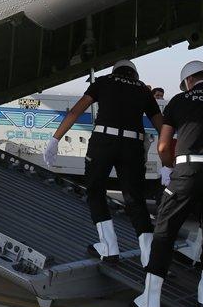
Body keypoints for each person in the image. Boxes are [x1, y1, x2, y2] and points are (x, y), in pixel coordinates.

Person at [131, 60, 203, 307]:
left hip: (188, 171)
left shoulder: (180, 100)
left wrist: (172, 166)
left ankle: (150, 301)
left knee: (165, 231)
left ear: (188, 81)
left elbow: (162, 146)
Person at [47, 60, 163, 266]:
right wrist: (170, 157)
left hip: (104, 142)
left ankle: (109, 247)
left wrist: (55, 139)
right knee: (135, 199)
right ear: (134, 75)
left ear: (115, 71)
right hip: (133, 144)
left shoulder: (104, 81)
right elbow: (160, 124)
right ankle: (149, 256)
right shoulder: (143, 90)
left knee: (95, 189)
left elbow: (75, 112)